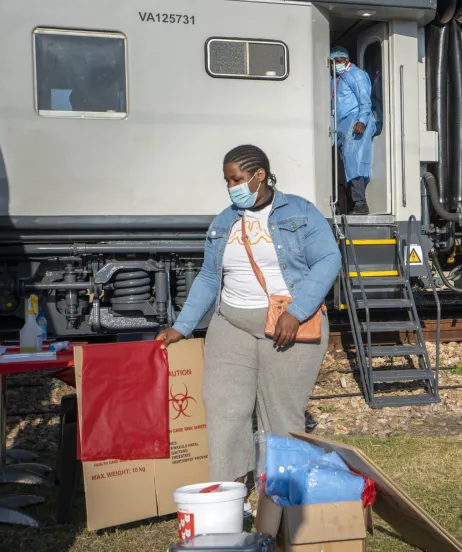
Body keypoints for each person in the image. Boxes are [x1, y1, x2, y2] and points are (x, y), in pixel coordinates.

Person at [157, 145, 341, 499]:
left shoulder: (300, 212)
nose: (230, 187)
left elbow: (328, 260)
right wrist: (182, 326)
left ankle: (283, 499)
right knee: (223, 406)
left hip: (289, 326)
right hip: (232, 323)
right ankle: (229, 497)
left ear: (259, 175)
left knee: (281, 415)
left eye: (236, 179)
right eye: (227, 180)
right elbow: (210, 278)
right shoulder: (225, 220)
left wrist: (297, 311)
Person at [331, 46, 376, 214]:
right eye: (334, 62)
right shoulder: (337, 78)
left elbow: (365, 99)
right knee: (345, 163)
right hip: (342, 125)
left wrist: (362, 120)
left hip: (355, 121)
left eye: (339, 61)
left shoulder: (356, 75)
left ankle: (360, 204)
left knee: (354, 161)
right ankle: (351, 204)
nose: (336, 64)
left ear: (347, 60)